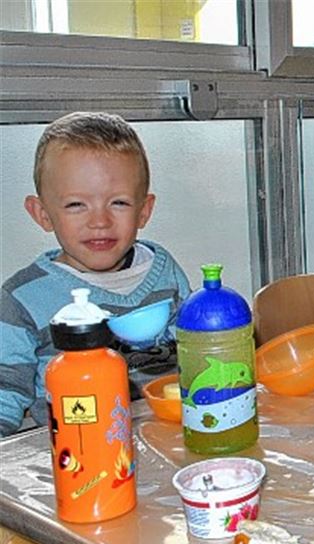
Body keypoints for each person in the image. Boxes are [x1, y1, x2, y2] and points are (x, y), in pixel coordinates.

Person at [0, 111, 192, 437]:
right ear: (43, 214)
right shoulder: (23, 298)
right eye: (76, 205)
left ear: (144, 210)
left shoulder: (163, 271)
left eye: (118, 203)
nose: (99, 221)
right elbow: (5, 391)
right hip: (78, 453)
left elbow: (194, 350)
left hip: (169, 437)